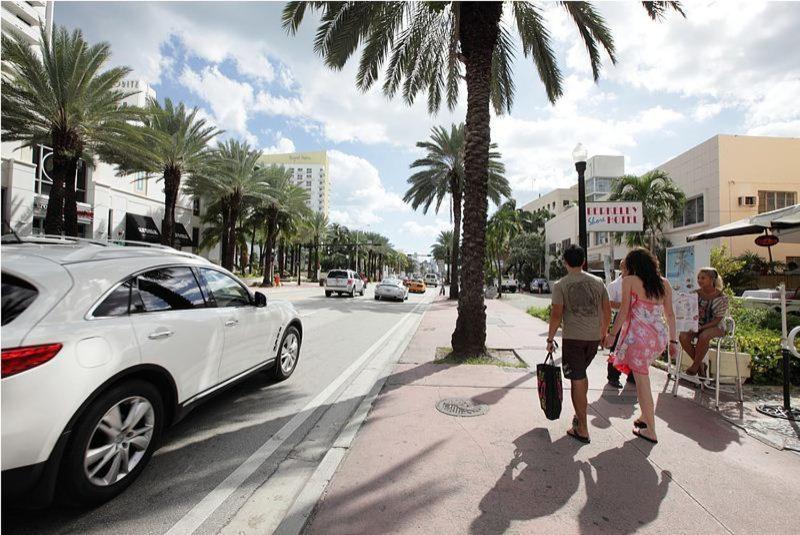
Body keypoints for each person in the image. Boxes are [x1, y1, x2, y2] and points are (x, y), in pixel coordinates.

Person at [605, 248, 679, 444]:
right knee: (640, 378)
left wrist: (612, 335)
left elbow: (623, 312)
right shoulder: (664, 283)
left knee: (643, 382)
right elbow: (670, 315)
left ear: (632, 266)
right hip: (659, 338)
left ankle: (651, 430)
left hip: (639, 340)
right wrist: (673, 341)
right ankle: (645, 417)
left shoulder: (630, 282)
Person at [547, 244, 611, 444]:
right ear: (583, 261)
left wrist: (550, 339)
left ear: (565, 262)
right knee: (581, 376)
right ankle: (579, 414)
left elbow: (556, 314)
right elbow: (607, 311)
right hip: (593, 339)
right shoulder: (598, 282)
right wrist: (604, 332)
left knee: (577, 380)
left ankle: (582, 428)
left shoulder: (561, 285)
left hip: (573, 339)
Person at [678, 267, 729, 376]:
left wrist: (702, 327)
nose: (699, 280)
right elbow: (689, 312)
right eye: (698, 278)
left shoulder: (722, 297)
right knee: (683, 336)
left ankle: (695, 366)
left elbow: (718, 319)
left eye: (703, 278)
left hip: (716, 326)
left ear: (712, 280)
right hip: (698, 325)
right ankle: (700, 365)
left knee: (704, 336)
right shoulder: (694, 294)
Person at [606, 259, 635, 388]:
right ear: (622, 268)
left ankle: (633, 376)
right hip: (620, 317)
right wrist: (625, 306)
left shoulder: (637, 282)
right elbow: (609, 303)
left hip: (635, 319)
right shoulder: (614, 285)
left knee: (634, 348)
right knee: (616, 347)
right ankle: (613, 376)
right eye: (625, 267)